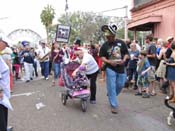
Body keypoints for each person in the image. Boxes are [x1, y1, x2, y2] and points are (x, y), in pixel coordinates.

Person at [99, 23, 129, 114]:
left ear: (114, 35)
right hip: (110, 68)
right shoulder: (104, 45)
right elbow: (102, 56)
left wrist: (124, 60)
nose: (108, 38)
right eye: (107, 37)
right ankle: (113, 105)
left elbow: (127, 54)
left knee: (120, 85)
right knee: (111, 86)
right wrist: (109, 62)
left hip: (121, 67)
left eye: (109, 37)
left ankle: (112, 94)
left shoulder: (121, 43)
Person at [0, 35, 13, 131]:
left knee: (4, 110)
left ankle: (4, 127)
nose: (5, 47)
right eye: (5, 44)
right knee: (1, 111)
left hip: (3, 89)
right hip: (1, 89)